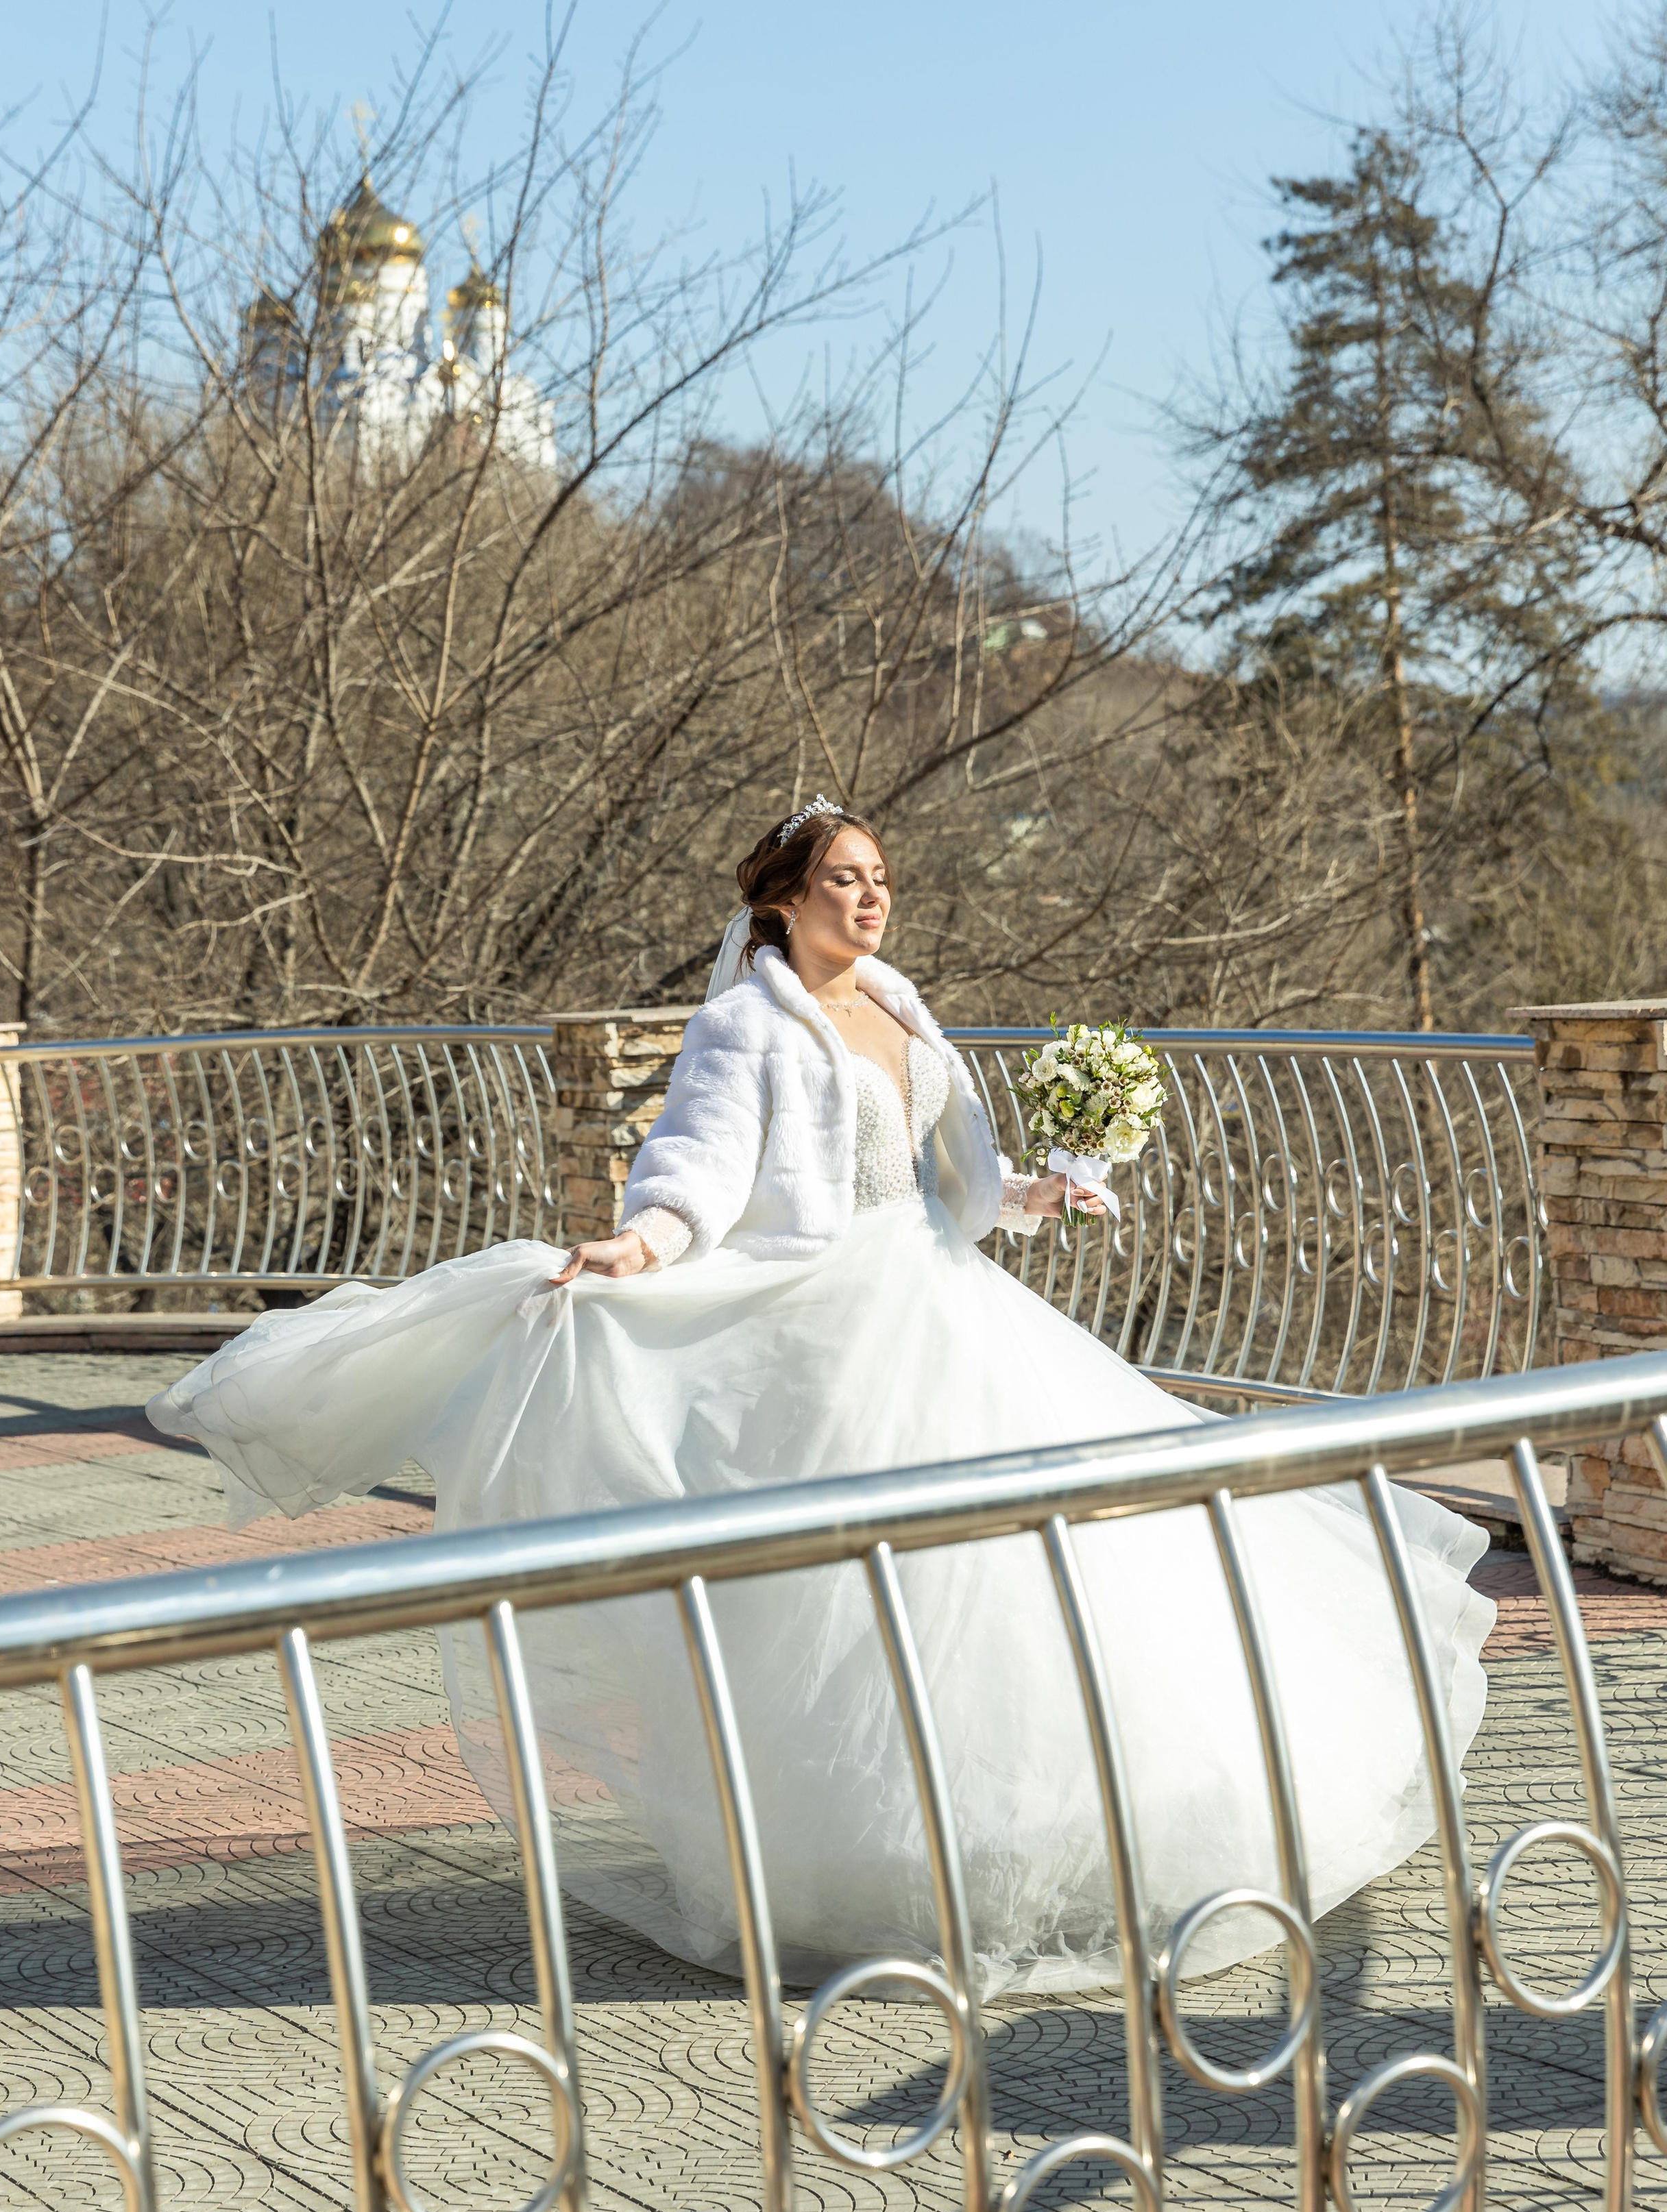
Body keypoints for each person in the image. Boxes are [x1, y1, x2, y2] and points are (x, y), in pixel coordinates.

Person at [151, 800, 1493, 1997]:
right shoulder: (744, 1021)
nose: (870, 896)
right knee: (856, 1609)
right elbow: (699, 1162)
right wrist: (643, 1242)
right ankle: (867, 1865)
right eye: (844, 878)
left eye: (880, 877)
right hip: (833, 1323)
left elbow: (956, 1180)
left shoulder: (904, 1010)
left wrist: (1039, 1189)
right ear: (784, 899)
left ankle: (1048, 1838)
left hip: (947, 1303)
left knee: (1042, 1575)